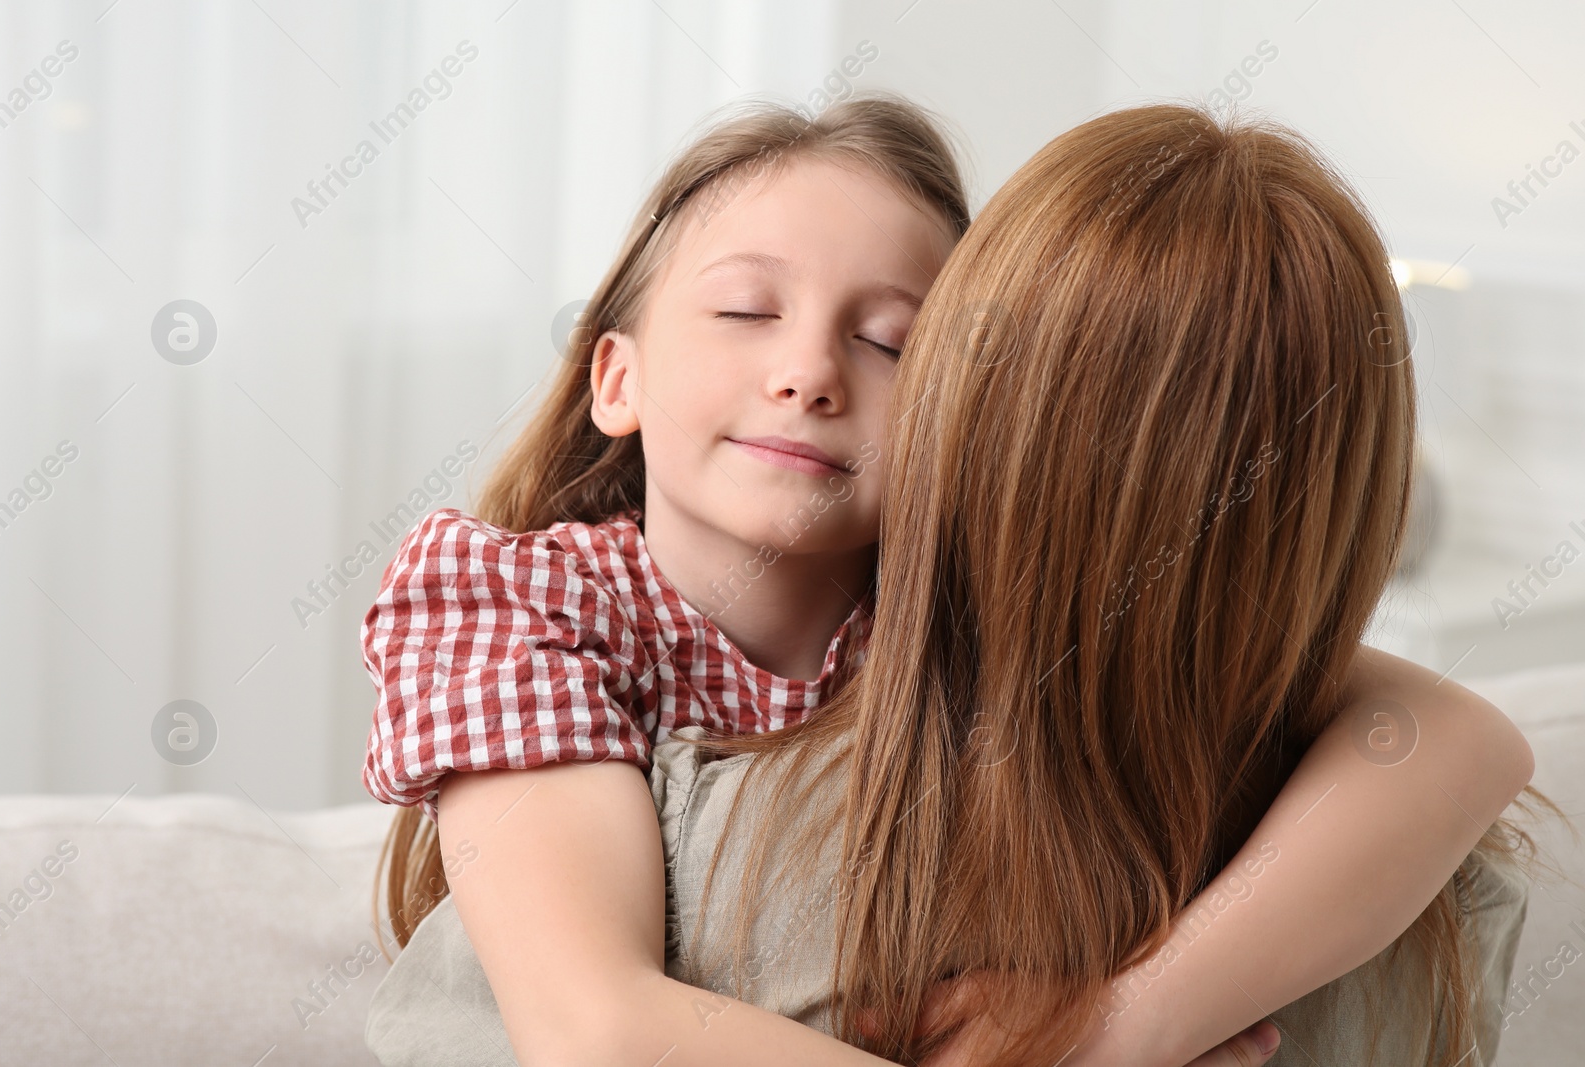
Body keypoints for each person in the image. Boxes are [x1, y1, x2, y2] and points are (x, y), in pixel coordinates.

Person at [363, 97, 1536, 1066]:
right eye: (742, 310)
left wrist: (1131, 1016)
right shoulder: (512, 603)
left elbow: (1459, 737)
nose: (808, 373)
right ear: (611, 377)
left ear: (966, 413)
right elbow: (594, 1024)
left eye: (889, 342)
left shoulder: (963, 605)